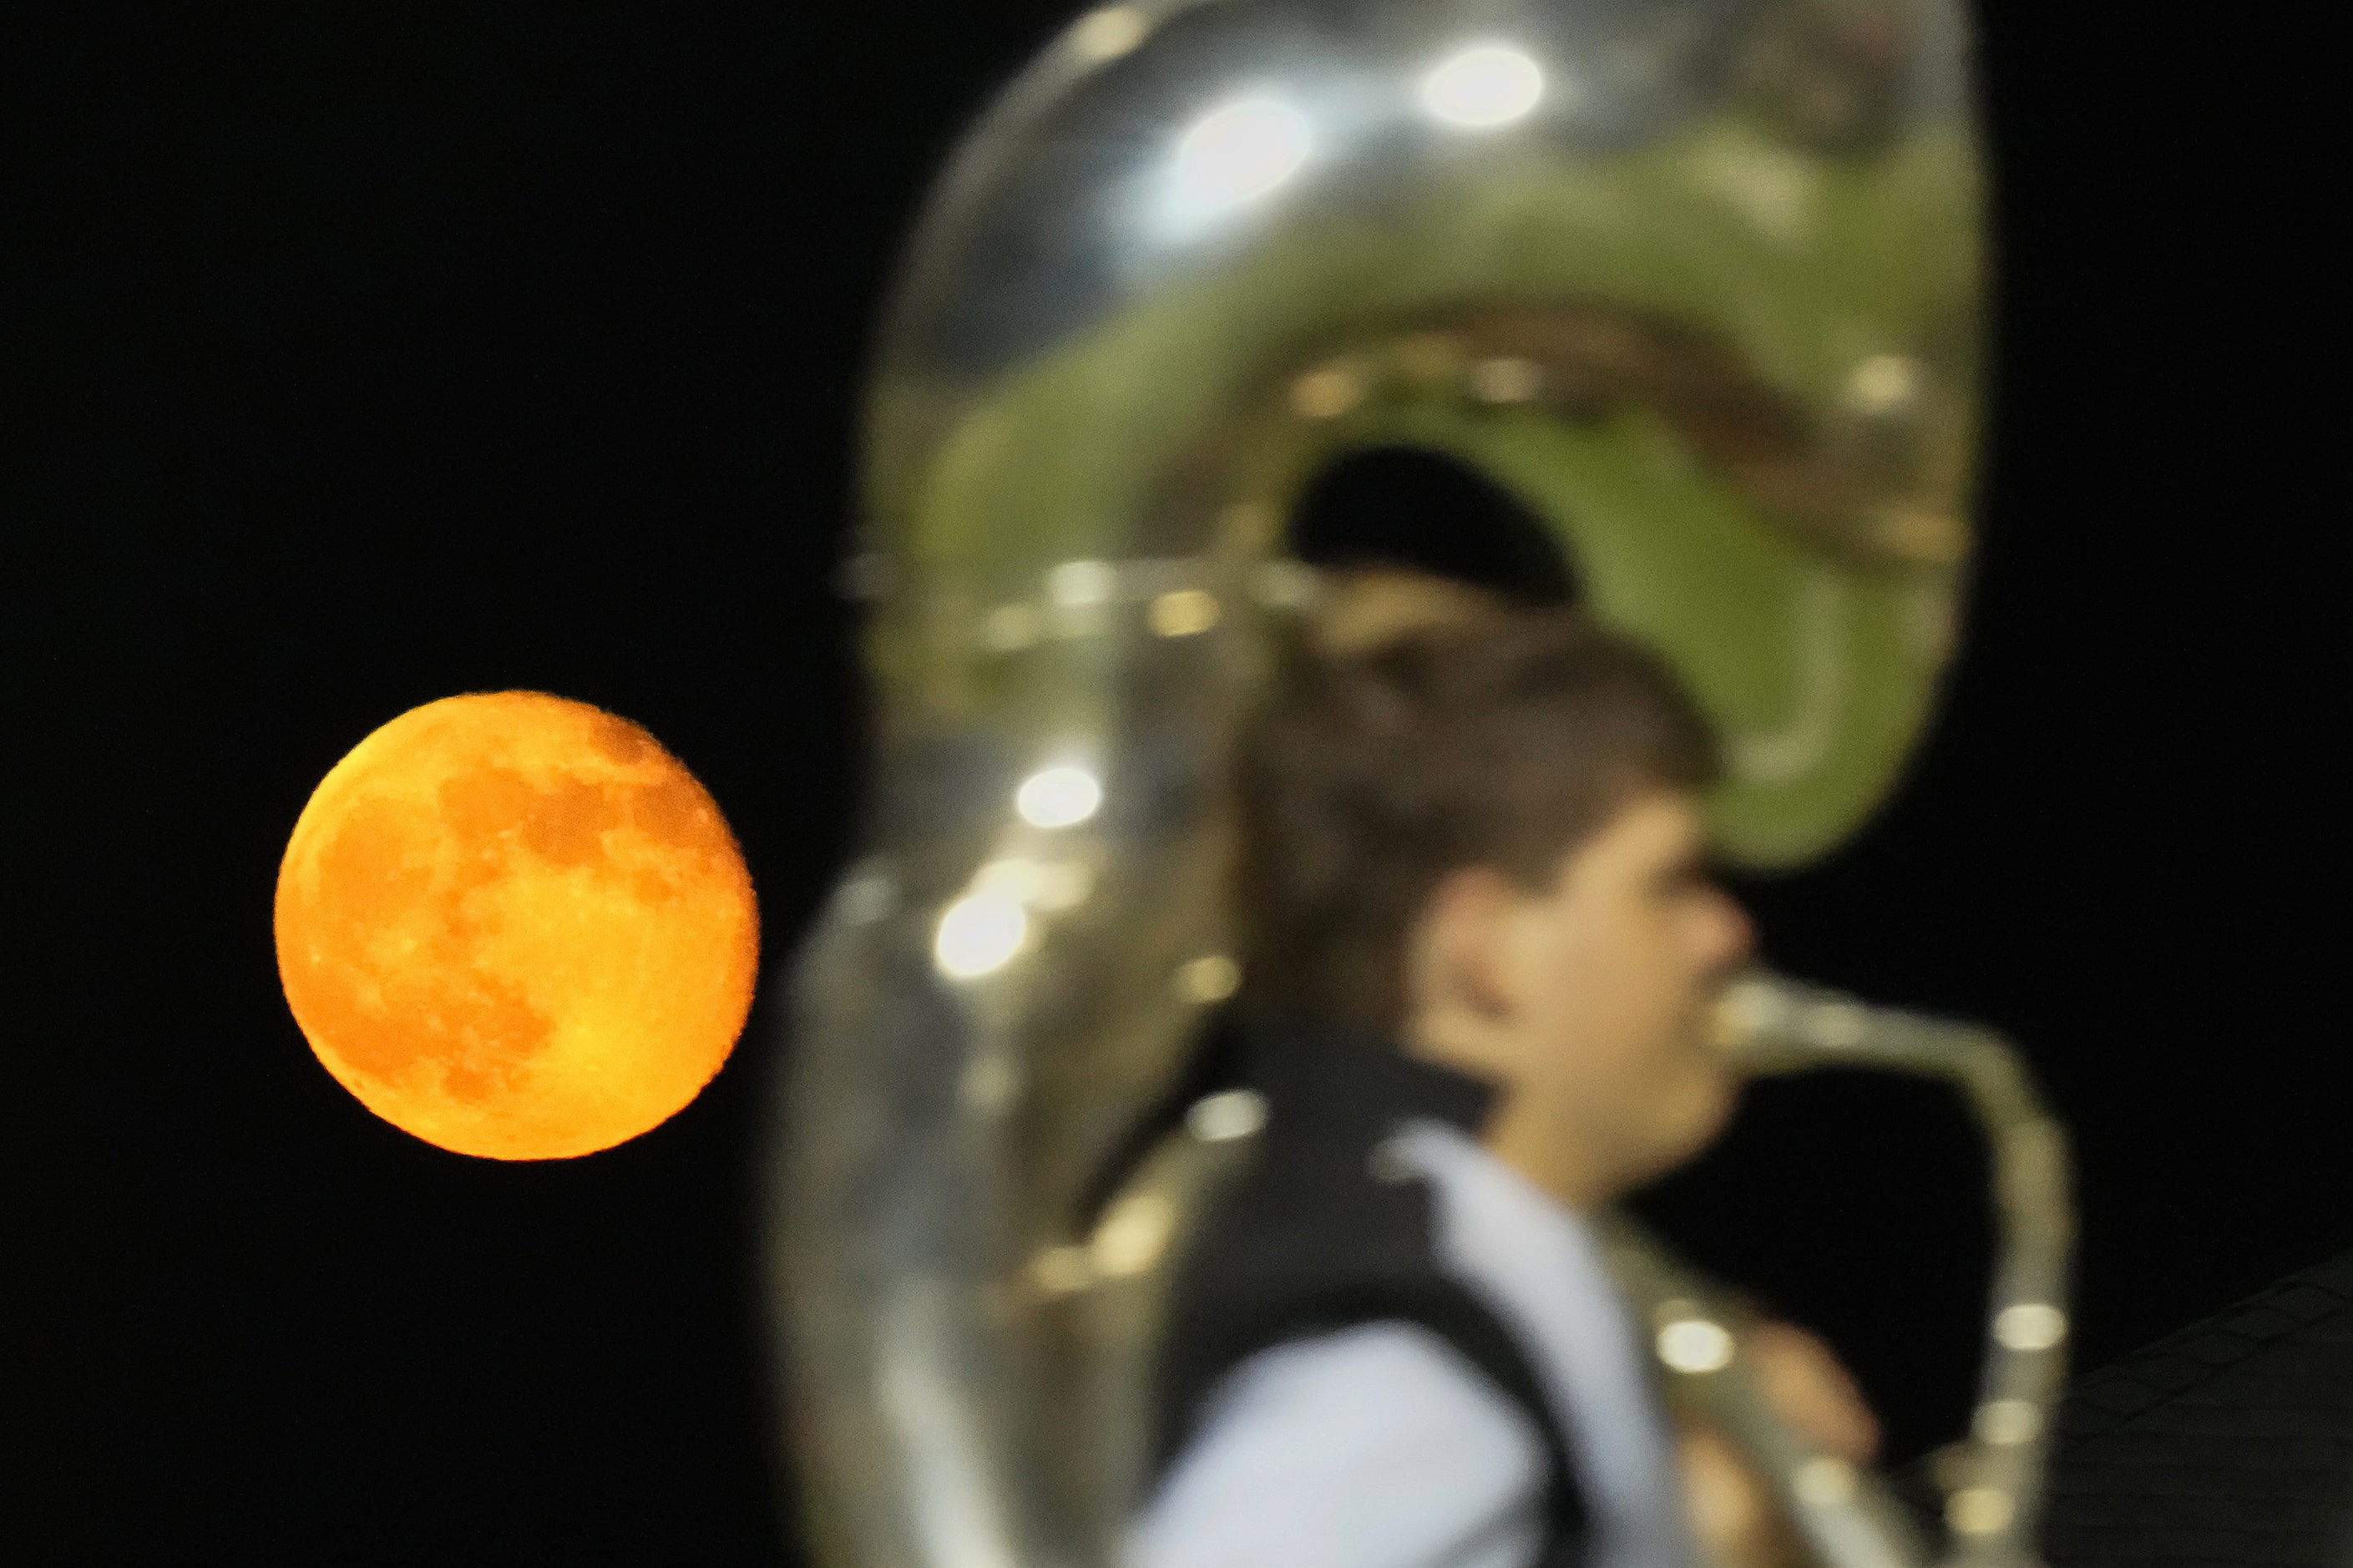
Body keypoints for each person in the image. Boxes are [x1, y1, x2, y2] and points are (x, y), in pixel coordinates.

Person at [1121, 568, 1879, 1568]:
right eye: (1668, 884)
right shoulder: (1401, 1371)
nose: (1725, 934)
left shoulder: (1467, 1243)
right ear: (1485, 946)